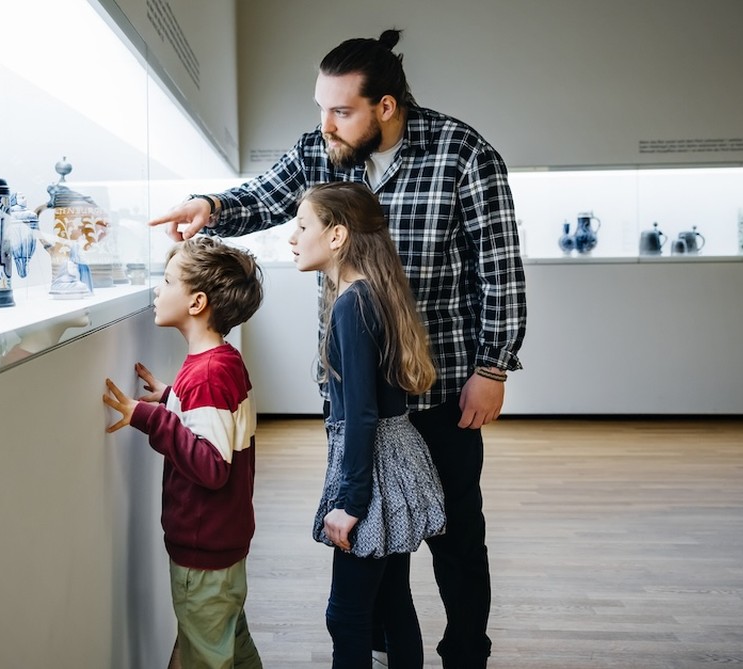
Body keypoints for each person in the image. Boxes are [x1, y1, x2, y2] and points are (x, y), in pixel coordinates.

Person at [148, 28, 527, 669]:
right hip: (353, 399)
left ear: (386, 106)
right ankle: (385, 652)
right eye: (320, 107)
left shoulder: (464, 155)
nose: (325, 124)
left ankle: (466, 653)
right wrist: (209, 206)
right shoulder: (321, 148)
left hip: (441, 391)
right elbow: (265, 196)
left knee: (458, 537)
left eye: (341, 110)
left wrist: (494, 367)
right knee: (379, 545)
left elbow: (501, 272)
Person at [293, 182, 447, 668]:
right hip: (396, 454)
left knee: (346, 614)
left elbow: (360, 413)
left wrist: (350, 503)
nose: (292, 238)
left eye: (302, 226)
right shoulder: (373, 294)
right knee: (391, 599)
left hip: (374, 470)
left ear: (337, 236)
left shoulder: (350, 305)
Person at [102, 235, 266, 669]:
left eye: (167, 280)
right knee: (231, 641)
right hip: (225, 543)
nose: (158, 289)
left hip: (204, 551)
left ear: (196, 303)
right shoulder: (221, 362)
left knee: (205, 656)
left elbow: (211, 466)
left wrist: (150, 417)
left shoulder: (207, 376)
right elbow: (216, 426)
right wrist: (172, 398)